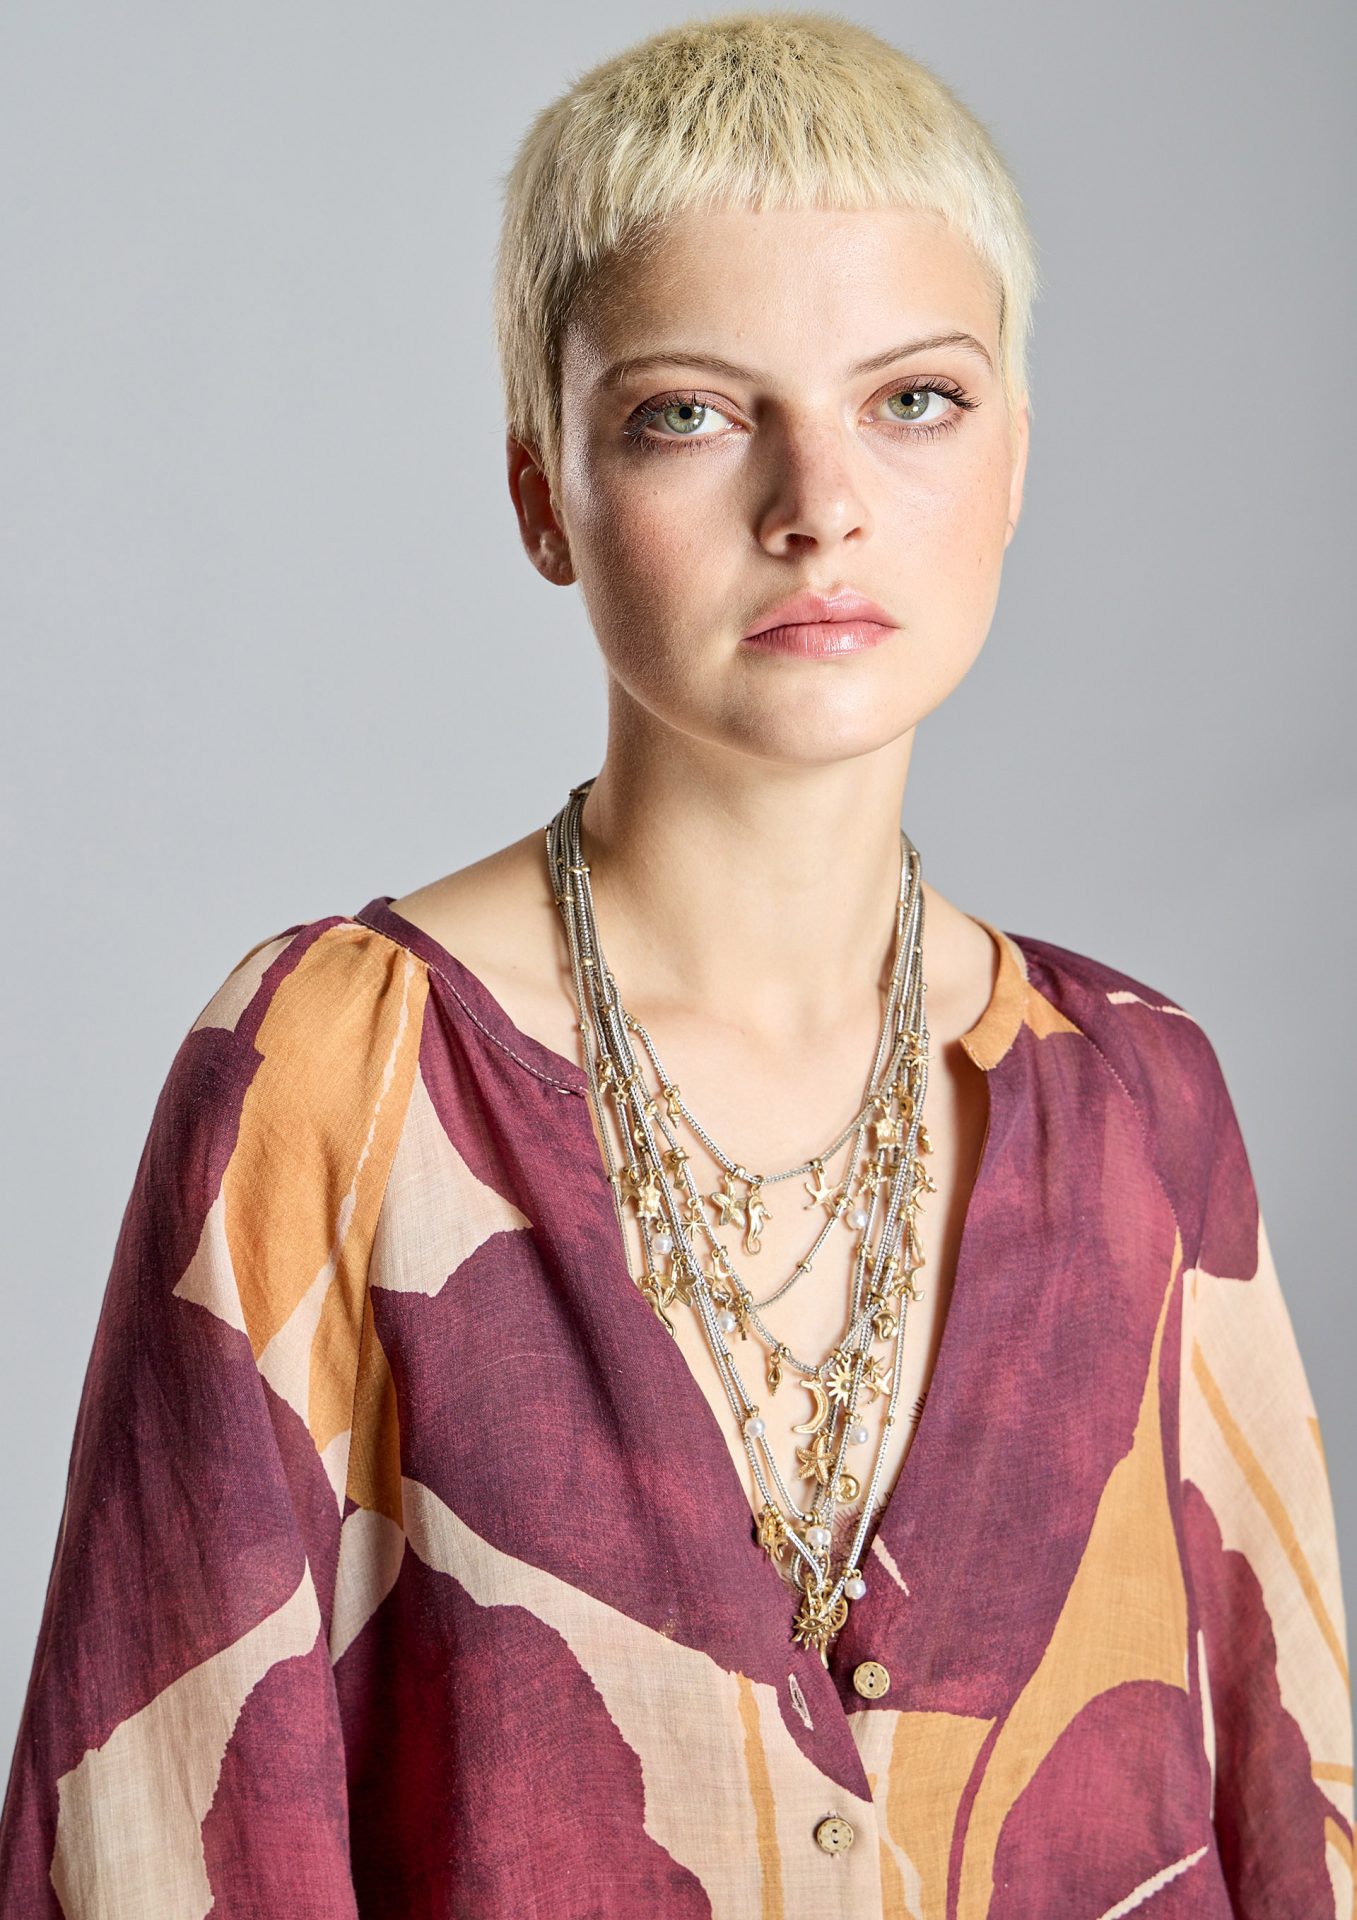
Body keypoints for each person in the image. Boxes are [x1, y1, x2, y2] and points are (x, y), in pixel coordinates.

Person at [1, 12, 1351, 1916]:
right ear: (540, 491)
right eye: (690, 413)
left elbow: (1294, 1810)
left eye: (913, 400)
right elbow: (153, 1846)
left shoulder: (1138, 1094)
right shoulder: (336, 1074)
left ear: (1015, 463)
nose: (818, 505)